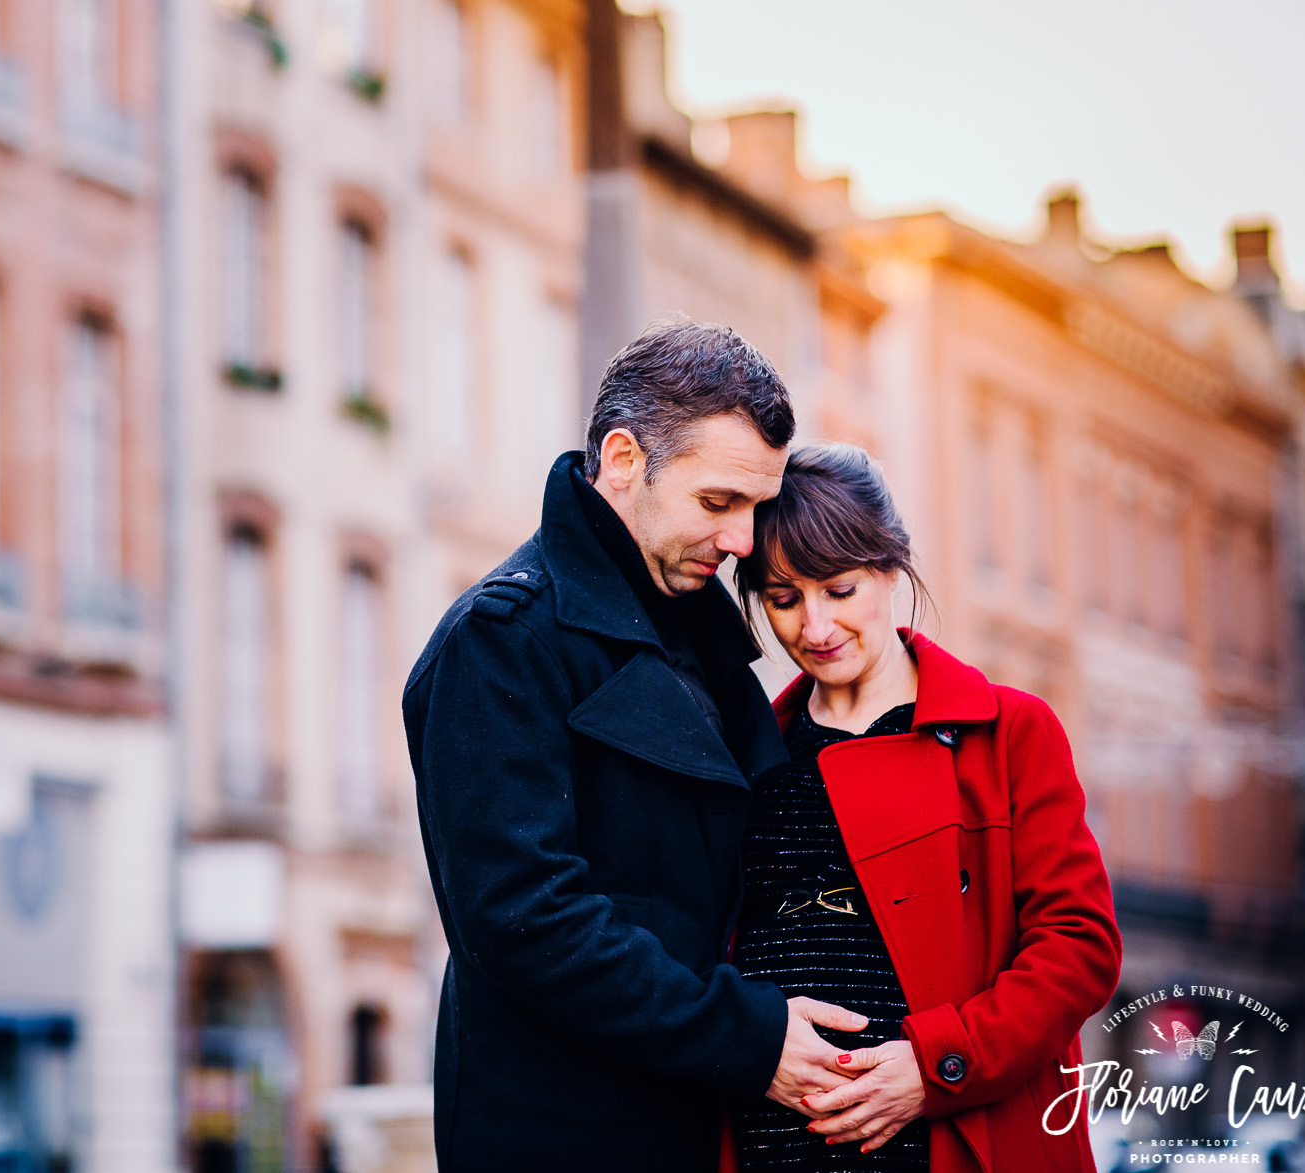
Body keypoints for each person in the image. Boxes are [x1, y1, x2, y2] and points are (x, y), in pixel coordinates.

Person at [403, 323, 871, 1172]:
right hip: (564, 1135)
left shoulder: (694, 633)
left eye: (755, 509)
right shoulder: (501, 637)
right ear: (623, 460)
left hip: (709, 1127)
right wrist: (751, 1038)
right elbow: (526, 919)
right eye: (718, 502)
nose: (741, 541)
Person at [727, 442, 1121, 1173]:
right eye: (784, 600)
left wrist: (938, 1063)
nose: (814, 628)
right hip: (769, 1147)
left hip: (952, 1141)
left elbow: (1079, 945)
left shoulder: (1008, 733)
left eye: (839, 590)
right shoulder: (742, 757)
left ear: (889, 567)